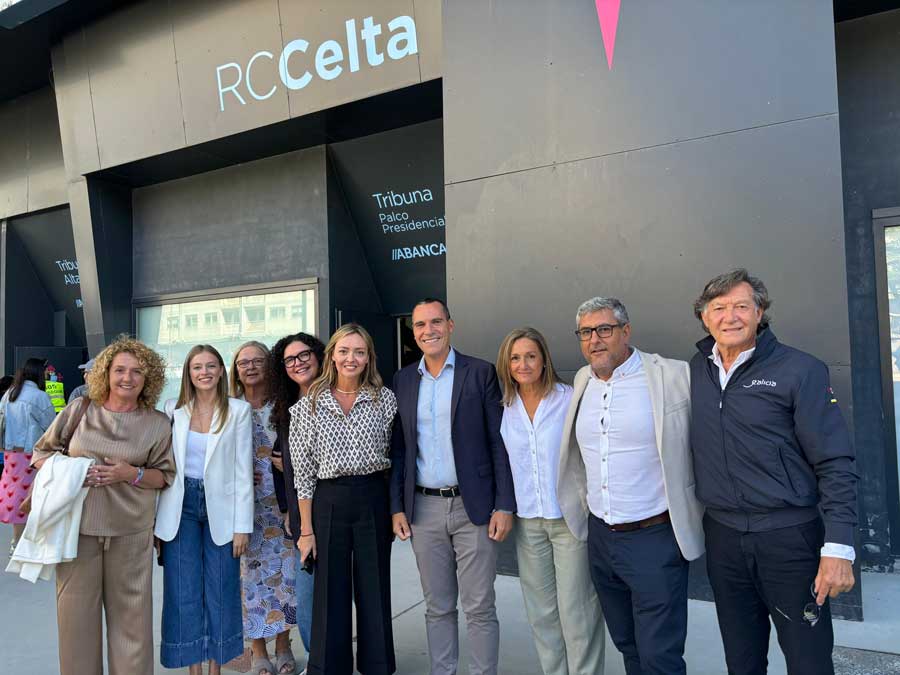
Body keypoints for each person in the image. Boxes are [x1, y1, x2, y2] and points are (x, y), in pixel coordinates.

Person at [690, 269, 857, 675]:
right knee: (742, 659)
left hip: (789, 540)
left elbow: (835, 461)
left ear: (760, 312)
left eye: (741, 306)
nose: (730, 317)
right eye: (719, 308)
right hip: (724, 538)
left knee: (808, 660)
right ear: (704, 318)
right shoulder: (697, 369)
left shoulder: (801, 371)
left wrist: (838, 547)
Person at [557, 297, 705, 675]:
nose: (595, 340)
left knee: (661, 654)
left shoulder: (671, 376)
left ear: (626, 331)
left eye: (604, 329)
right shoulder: (581, 380)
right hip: (601, 539)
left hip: (654, 538)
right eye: (586, 332)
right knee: (628, 644)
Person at [30, 336, 175, 675]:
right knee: (75, 623)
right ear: (106, 374)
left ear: (148, 377)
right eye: (120, 370)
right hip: (77, 531)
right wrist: (72, 473)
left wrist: (132, 473)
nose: (128, 378)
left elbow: (164, 476)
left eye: (137, 371)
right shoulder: (79, 410)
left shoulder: (156, 423)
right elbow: (40, 453)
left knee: (133, 627)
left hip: (131, 534)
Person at [390, 298, 516, 675]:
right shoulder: (404, 379)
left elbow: (499, 441)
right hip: (423, 509)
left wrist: (504, 505)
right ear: (413, 333)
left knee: (479, 606)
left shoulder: (479, 373)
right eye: (420, 325)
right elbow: (399, 449)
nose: (428, 331)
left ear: (450, 325)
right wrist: (397, 506)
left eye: (435, 322)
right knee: (438, 606)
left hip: (473, 507)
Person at [496, 327, 605, 675]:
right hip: (528, 522)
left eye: (530, 356)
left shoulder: (569, 398)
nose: (523, 364)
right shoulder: (504, 406)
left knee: (578, 611)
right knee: (541, 613)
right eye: (515, 357)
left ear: (544, 359)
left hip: (568, 520)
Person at [290, 323, 397, 675]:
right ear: (332, 355)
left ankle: (377, 666)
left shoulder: (385, 400)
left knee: (374, 586)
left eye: (359, 352)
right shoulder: (308, 406)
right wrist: (306, 530)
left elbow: (395, 456)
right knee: (329, 591)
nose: (351, 358)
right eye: (344, 351)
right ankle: (329, 667)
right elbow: (302, 474)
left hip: (372, 497)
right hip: (328, 500)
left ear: (368, 358)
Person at [154, 344, 254, 675]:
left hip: (222, 510)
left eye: (211, 366)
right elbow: (163, 467)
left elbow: (243, 471)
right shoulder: (173, 409)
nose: (205, 372)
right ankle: (192, 668)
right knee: (182, 591)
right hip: (179, 508)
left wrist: (243, 525)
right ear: (189, 373)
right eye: (197, 367)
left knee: (222, 589)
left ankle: (216, 668)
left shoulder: (238, 411)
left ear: (222, 371)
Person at [230, 340, 300, 675]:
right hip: (246, 511)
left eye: (258, 360)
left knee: (285, 578)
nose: (251, 366)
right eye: (243, 362)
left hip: (283, 506)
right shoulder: (228, 408)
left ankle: (284, 644)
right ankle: (258, 650)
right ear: (236, 370)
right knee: (251, 580)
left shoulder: (283, 405)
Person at [270, 331, 326, 671]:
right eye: (289, 359)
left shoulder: (336, 397)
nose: (298, 363)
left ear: (318, 356)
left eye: (303, 355)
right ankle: (317, 660)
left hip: (338, 507)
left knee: (339, 593)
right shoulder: (287, 409)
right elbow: (284, 467)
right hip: (302, 516)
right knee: (306, 596)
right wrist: (289, 509)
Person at [1, 358, 56, 555]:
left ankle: (17, 540)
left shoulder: (10, 393)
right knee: (37, 495)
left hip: (10, 453)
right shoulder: (39, 396)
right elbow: (52, 426)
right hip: (32, 454)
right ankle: (31, 541)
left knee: (14, 495)